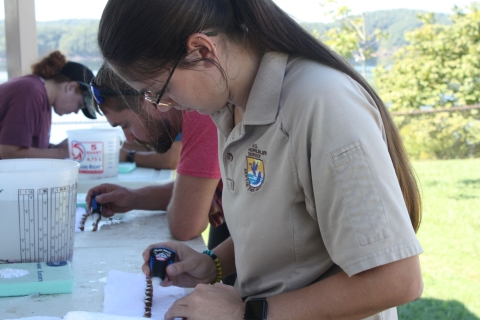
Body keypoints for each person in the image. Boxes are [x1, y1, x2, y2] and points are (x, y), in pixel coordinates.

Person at [98, 1, 424, 319]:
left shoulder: (322, 102)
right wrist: (211, 263)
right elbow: (279, 231)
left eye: (158, 91)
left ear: (202, 51)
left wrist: (246, 313)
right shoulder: (229, 107)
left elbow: (395, 280)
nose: (162, 105)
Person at [86, 64, 228, 244]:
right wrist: (133, 198)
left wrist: (191, 205)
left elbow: (184, 225)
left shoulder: (200, 113)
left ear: (149, 99)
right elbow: (187, 196)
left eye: (125, 125)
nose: (128, 139)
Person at [0, 50, 97, 160]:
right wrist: (61, 153)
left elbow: (27, 148)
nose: (76, 111)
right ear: (71, 87)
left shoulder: (43, 100)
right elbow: (9, 153)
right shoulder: (31, 92)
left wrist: (55, 148)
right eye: (80, 105)